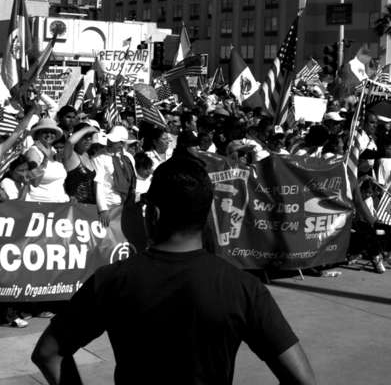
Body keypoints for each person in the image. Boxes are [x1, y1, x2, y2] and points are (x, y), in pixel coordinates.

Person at [32, 157, 316, 385]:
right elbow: (301, 379)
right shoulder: (243, 287)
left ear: (152, 214)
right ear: (207, 217)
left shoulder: (111, 280)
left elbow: (48, 354)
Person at [24, 118, 69, 203]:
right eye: (45, 131)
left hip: (60, 204)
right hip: (40, 206)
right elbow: (35, 182)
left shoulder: (53, 151)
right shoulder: (33, 152)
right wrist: (45, 158)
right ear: (37, 134)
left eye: (52, 132)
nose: (49, 135)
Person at [63, 123, 97, 203]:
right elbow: (70, 142)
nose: (88, 139)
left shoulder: (88, 155)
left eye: (90, 136)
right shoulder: (70, 155)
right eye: (84, 136)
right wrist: (87, 129)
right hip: (75, 206)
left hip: (90, 207)